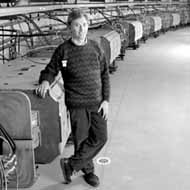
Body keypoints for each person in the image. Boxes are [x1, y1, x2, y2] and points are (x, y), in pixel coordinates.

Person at [35, 8, 110, 187]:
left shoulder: (95, 47)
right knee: (82, 139)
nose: (81, 29)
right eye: (77, 25)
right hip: (77, 105)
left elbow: (105, 75)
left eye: (84, 25)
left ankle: (71, 164)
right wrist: (45, 81)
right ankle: (88, 171)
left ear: (87, 26)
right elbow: (50, 69)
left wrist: (106, 100)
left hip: (97, 102)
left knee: (101, 137)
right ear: (70, 27)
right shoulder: (64, 51)